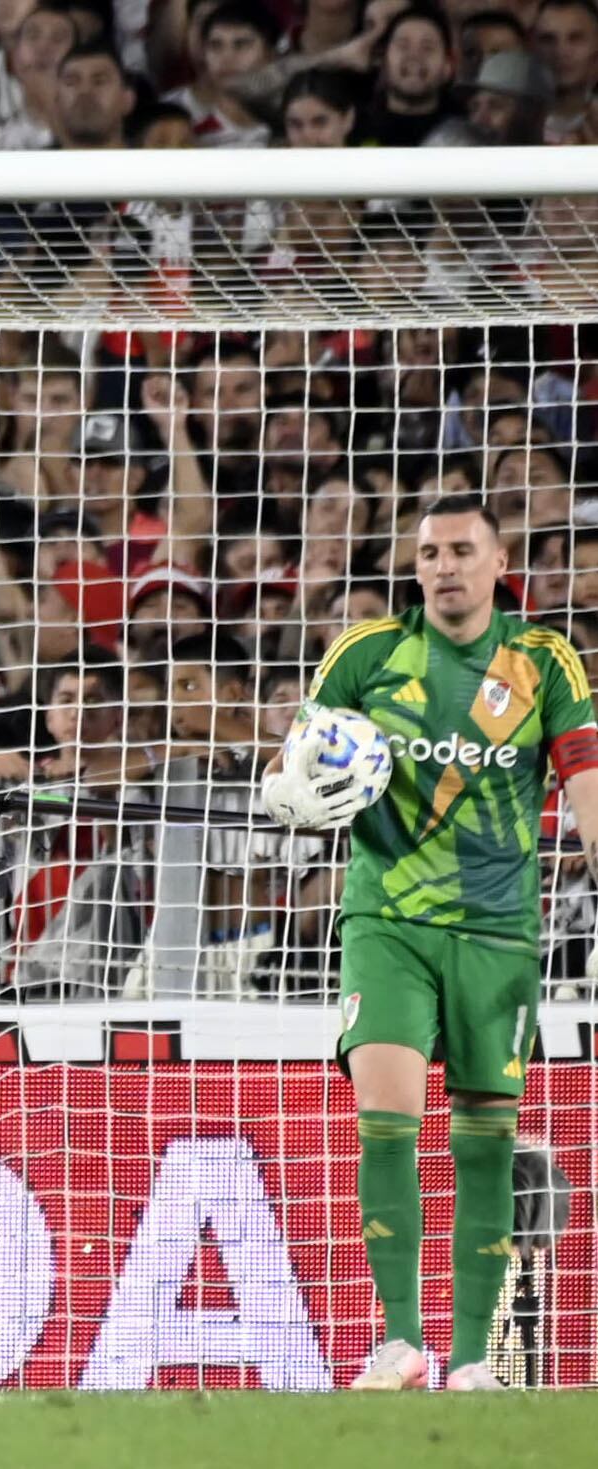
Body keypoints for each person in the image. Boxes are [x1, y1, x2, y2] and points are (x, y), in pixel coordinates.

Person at [262, 494, 598, 1392]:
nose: (442, 566)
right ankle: (400, 1343)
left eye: (460, 550)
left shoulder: (542, 660)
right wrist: (291, 796)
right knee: (386, 1122)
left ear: (497, 564)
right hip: (387, 920)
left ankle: (474, 1360)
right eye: (426, 552)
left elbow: (583, 778)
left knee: (485, 1141)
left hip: (498, 931)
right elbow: (290, 765)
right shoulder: (368, 653)